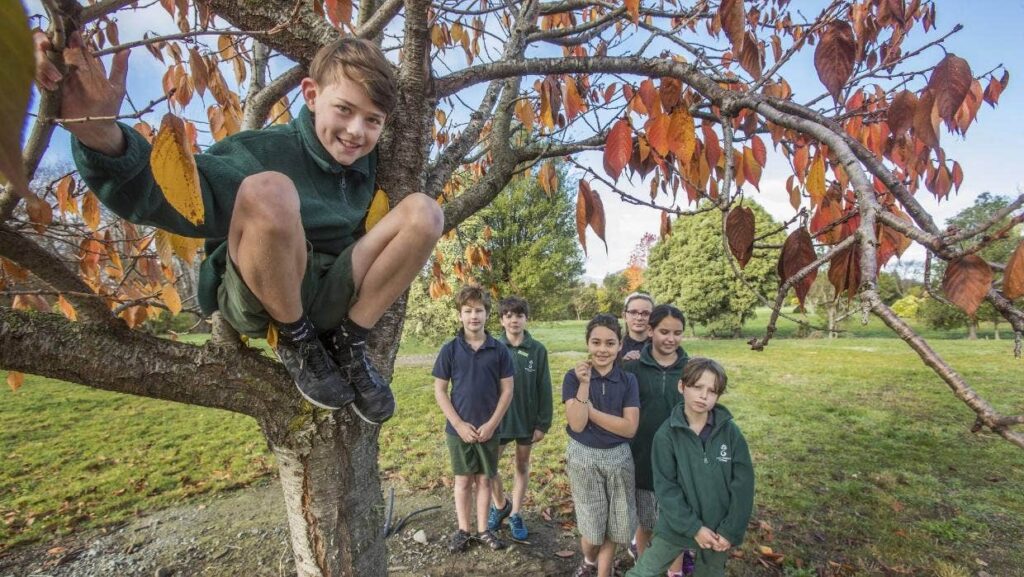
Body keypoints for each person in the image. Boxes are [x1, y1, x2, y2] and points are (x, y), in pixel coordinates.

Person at [35, 33, 444, 422]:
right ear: (312, 95)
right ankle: (298, 342)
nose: (357, 131)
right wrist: (99, 134)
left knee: (424, 212)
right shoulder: (259, 151)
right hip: (264, 297)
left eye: (373, 120)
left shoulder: (368, 164)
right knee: (271, 189)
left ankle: (349, 344)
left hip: (334, 292)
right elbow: (171, 192)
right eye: (344, 109)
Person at [626, 358, 754, 577]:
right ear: (681, 386)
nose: (704, 396)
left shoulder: (730, 433)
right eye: (697, 387)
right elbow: (666, 488)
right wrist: (693, 528)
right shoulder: (666, 435)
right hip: (676, 526)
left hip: (718, 530)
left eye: (712, 391)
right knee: (642, 573)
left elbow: (743, 486)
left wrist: (730, 530)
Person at [432, 285, 514, 554]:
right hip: (459, 431)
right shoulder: (450, 350)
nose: (473, 316)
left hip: (489, 429)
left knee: (485, 480)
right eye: (468, 311)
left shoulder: (499, 350)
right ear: (460, 315)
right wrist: (458, 424)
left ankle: (483, 530)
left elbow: (507, 390)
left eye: (479, 310)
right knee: (463, 480)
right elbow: (440, 390)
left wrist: (492, 424)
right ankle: (463, 530)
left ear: (487, 314)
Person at [563, 314, 640, 577]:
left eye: (610, 343)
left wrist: (593, 413)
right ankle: (588, 559)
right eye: (596, 342)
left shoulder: (628, 380)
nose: (602, 349)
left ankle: (602, 573)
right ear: (588, 343)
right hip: (583, 458)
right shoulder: (573, 378)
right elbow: (576, 424)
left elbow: (629, 427)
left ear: (620, 346)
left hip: (618, 458)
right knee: (593, 530)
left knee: (616, 527)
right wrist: (584, 384)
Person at [623, 305, 690, 575]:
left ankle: (675, 572)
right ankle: (644, 568)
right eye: (664, 331)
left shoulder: (691, 369)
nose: (670, 338)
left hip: (679, 460)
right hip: (642, 456)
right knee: (646, 520)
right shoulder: (632, 368)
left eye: (677, 333)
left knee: (675, 522)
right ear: (650, 331)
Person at [487, 296, 552, 541]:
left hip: (526, 419)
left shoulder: (538, 350)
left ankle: (515, 513)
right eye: (509, 316)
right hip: (499, 420)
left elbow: (544, 387)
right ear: (502, 320)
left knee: (521, 465)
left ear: (526, 318)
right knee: (489, 466)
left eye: (519, 315)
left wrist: (543, 423)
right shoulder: (492, 347)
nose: (514, 320)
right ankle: (500, 503)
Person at [620, 292, 654, 362]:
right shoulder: (616, 347)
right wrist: (622, 363)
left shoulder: (661, 347)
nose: (639, 318)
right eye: (633, 312)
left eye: (646, 313)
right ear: (624, 316)